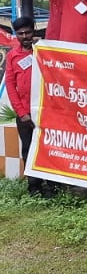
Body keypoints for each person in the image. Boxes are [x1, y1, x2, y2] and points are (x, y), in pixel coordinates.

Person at [6, 18, 45, 196]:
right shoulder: (12, 56)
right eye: (20, 33)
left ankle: (53, 185)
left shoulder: (43, 50)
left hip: (45, 111)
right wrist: (22, 113)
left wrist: (41, 46)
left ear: (33, 31)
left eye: (28, 32)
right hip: (25, 114)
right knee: (28, 150)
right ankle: (34, 187)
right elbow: (10, 86)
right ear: (16, 35)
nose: (25, 36)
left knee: (48, 148)